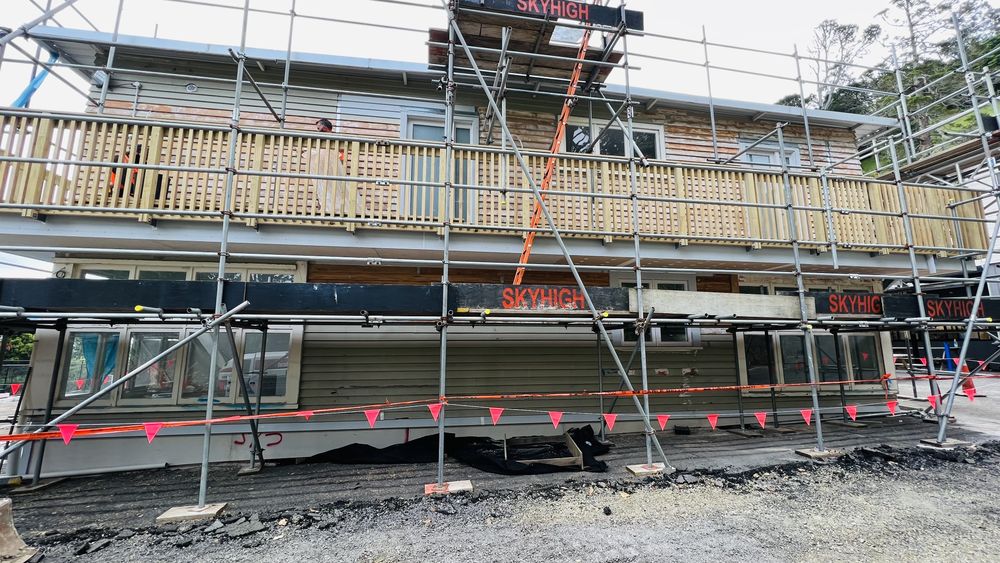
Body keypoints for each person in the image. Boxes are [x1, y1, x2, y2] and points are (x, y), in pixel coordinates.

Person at [308, 117, 346, 215]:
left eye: (319, 128)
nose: (318, 130)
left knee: (334, 189)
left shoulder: (335, 140)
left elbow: (341, 155)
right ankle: (322, 208)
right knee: (321, 189)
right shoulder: (318, 140)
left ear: (325, 128)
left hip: (332, 170)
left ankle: (333, 209)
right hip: (321, 169)